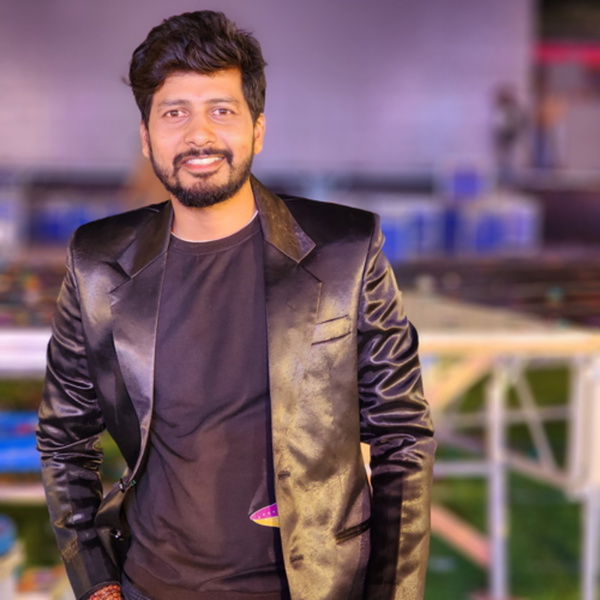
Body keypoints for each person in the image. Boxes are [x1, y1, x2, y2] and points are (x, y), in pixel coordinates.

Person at [37, 11, 435, 600]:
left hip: (316, 586)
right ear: (146, 136)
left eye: (221, 110)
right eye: (175, 113)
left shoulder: (346, 250)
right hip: (151, 586)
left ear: (258, 129)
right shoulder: (96, 261)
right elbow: (64, 438)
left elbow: (402, 435)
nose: (199, 135)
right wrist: (97, 583)